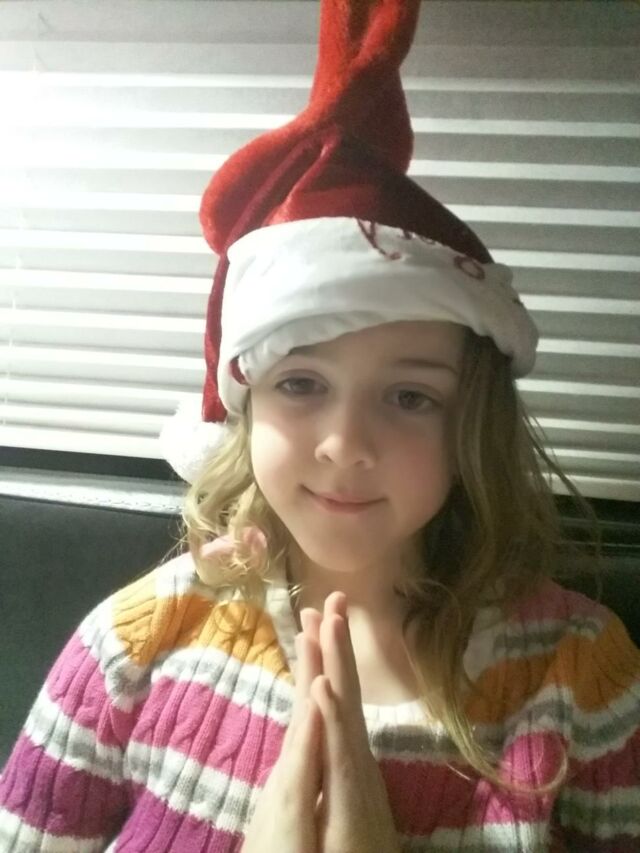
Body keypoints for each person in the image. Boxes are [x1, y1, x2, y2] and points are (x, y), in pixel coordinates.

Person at [1, 0, 639, 850]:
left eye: (409, 396)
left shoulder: (581, 672)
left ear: (469, 425)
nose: (345, 444)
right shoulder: (133, 645)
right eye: (301, 383)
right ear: (247, 405)